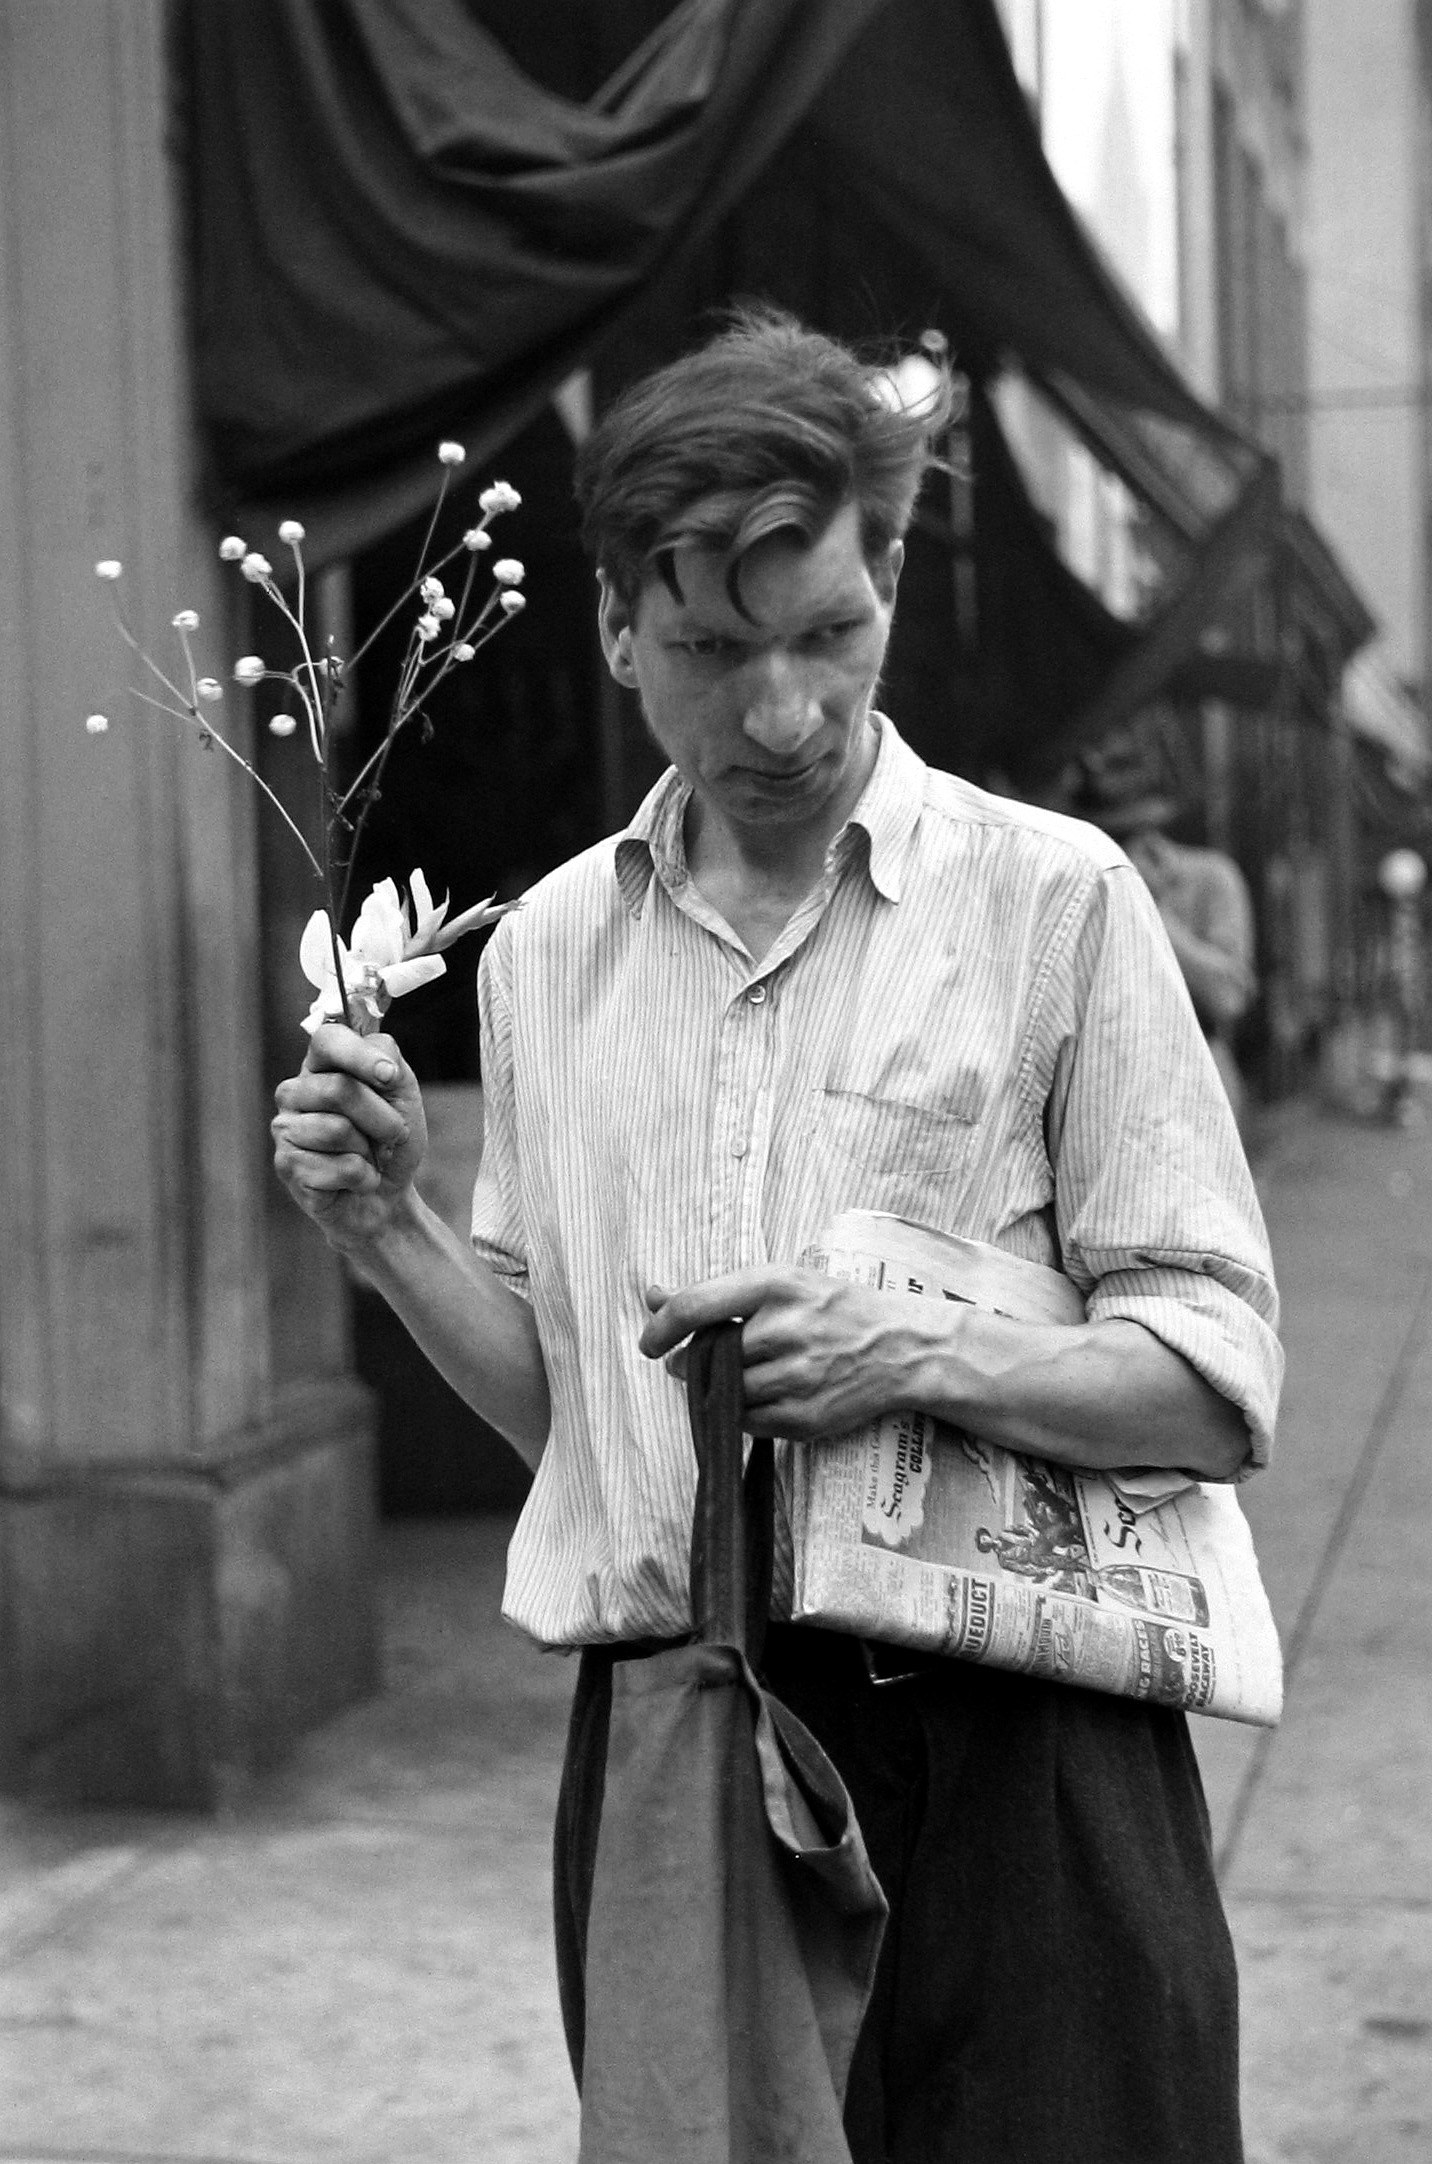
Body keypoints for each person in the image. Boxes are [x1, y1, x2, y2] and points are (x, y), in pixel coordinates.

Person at [272, 309, 1282, 2164]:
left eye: (827, 632)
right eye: (712, 651)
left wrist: (912, 1349)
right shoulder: (549, 951)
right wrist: (389, 1225)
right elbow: (585, 1432)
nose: (782, 712)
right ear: (612, 632)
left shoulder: (1056, 902)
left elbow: (1215, 1383)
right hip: (675, 1744)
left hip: (1022, 1752)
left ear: (887, 576)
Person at [1078, 722, 1258, 1124]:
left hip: (1200, 1081)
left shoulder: (1210, 879)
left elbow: (1229, 998)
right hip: (1116, 1088)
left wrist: (1148, 908)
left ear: (1149, 843)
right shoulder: (1083, 887)